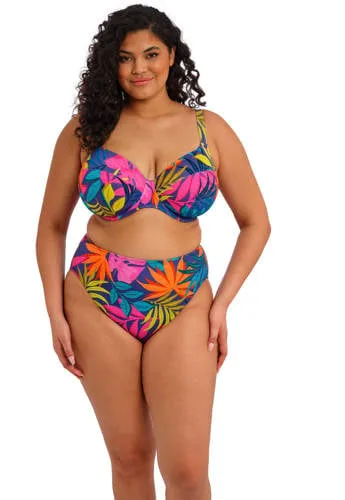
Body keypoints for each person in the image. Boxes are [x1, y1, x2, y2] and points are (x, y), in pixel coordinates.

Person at [36, 4, 271, 499]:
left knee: (187, 471)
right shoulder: (86, 130)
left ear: (172, 57)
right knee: (129, 458)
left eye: (151, 54)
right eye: (125, 58)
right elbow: (52, 226)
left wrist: (221, 304)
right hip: (96, 295)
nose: (139, 68)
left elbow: (256, 223)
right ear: (111, 64)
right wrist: (54, 313)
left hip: (184, 296)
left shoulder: (210, 129)